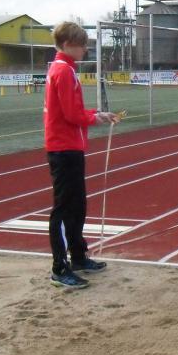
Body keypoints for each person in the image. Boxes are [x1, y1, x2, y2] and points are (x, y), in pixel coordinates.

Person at [44, 21, 120, 289]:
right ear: (67, 45)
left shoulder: (65, 69)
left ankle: (77, 256)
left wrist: (96, 114)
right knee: (65, 208)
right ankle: (59, 267)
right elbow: (71, 114)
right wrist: (95, 118)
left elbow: (73, 110)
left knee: (77, 205)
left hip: (71, 146)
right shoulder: (63, 71)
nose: (85, 50)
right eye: (81, 45)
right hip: (63, 147)